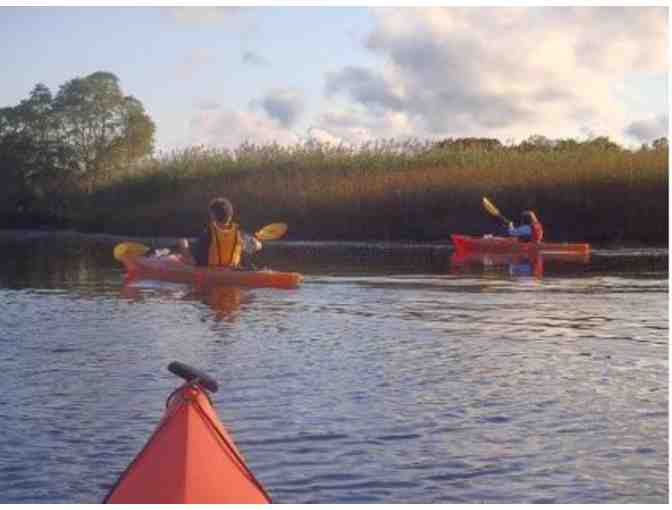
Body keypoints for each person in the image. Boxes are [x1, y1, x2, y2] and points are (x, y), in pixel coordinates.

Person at [176, 197, 262, 268]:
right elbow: (257, 246)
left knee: (182, 249)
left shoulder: (207, 234)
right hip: (233, 272)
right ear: (230, 216)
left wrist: (184, 247)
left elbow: (193, 263)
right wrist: (255, 242)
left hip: (211, 274)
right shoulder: (239, 234)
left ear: (212, 215)